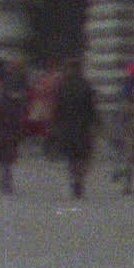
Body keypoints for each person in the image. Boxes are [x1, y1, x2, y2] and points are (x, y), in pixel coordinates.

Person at [47, 55, 100, 198]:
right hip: (83, 127)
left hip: (67, 127)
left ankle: (74, 179)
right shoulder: (85, 85)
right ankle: (79, 180)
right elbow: (91, 107)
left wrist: (54, 125)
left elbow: (57, 107)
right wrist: (96, 123)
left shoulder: (62, 86)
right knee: (83, 156)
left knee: (71, 157)